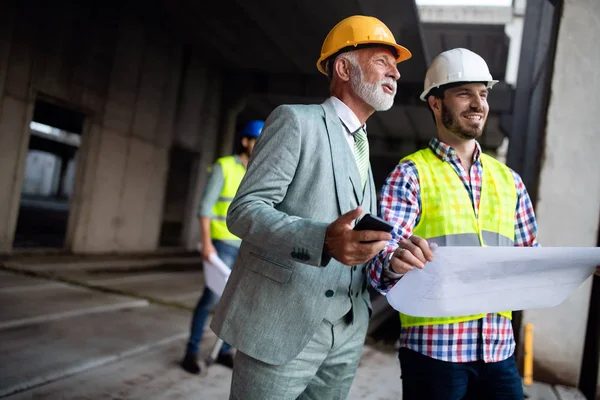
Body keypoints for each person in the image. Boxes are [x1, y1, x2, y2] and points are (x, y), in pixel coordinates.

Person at [210, 15, 411, 400]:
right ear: (343, 67)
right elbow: (245, 209)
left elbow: (352, 236)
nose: (396, 74)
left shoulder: (362, 146)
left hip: (347, 334)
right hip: (283, 328)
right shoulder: (296, 122)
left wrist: (389, 257)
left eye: (397, 66)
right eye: (383, 61)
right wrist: (321, 239)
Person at [368, 47, 540, 399]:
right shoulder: (410, 174)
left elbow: (531, 262)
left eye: (483, 94)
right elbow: (376, 261)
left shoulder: (510, 181)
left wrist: (581, 265)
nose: (478, 103)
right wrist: (394, 262)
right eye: (464, 93)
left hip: (499, 350)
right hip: (434, 353)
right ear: (435, 103)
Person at [180, 120, 264, 375]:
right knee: (211, 300)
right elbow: (205, 208)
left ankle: (224, 351)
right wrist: (206, 244)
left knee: (237, 304)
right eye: (257, 141)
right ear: (246, 141)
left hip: (247, 247)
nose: (261, 146)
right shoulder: (224, 167)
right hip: (222, 245)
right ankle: (191, 352)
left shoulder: (260, 173)